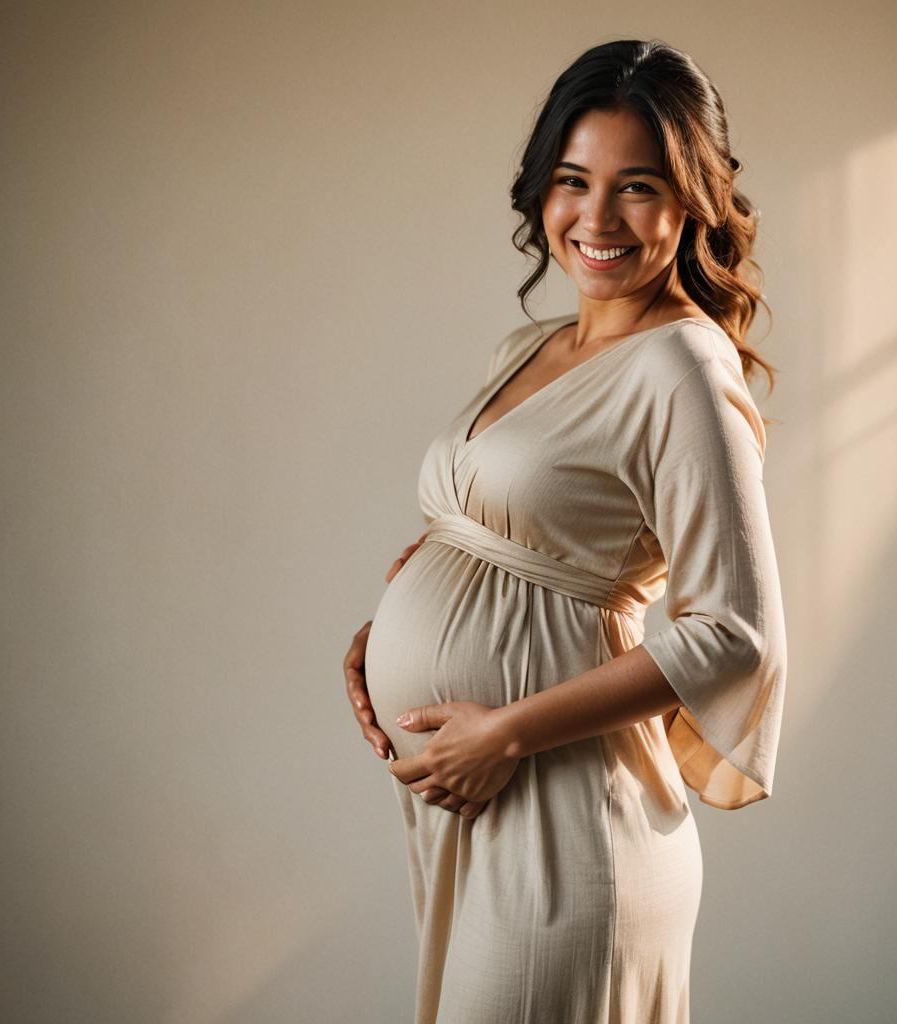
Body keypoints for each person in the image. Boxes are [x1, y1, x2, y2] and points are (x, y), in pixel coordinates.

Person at [342, 38, 787, 1024]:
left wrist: (502, 728)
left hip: (568, 816)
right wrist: (387, 642)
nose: (595, 218)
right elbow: (515, 545)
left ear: (693, 201)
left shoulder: (682, 368)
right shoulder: (535, 343)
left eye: (637, 186)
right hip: (476, 807)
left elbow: (734, 632)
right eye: (572, 180)